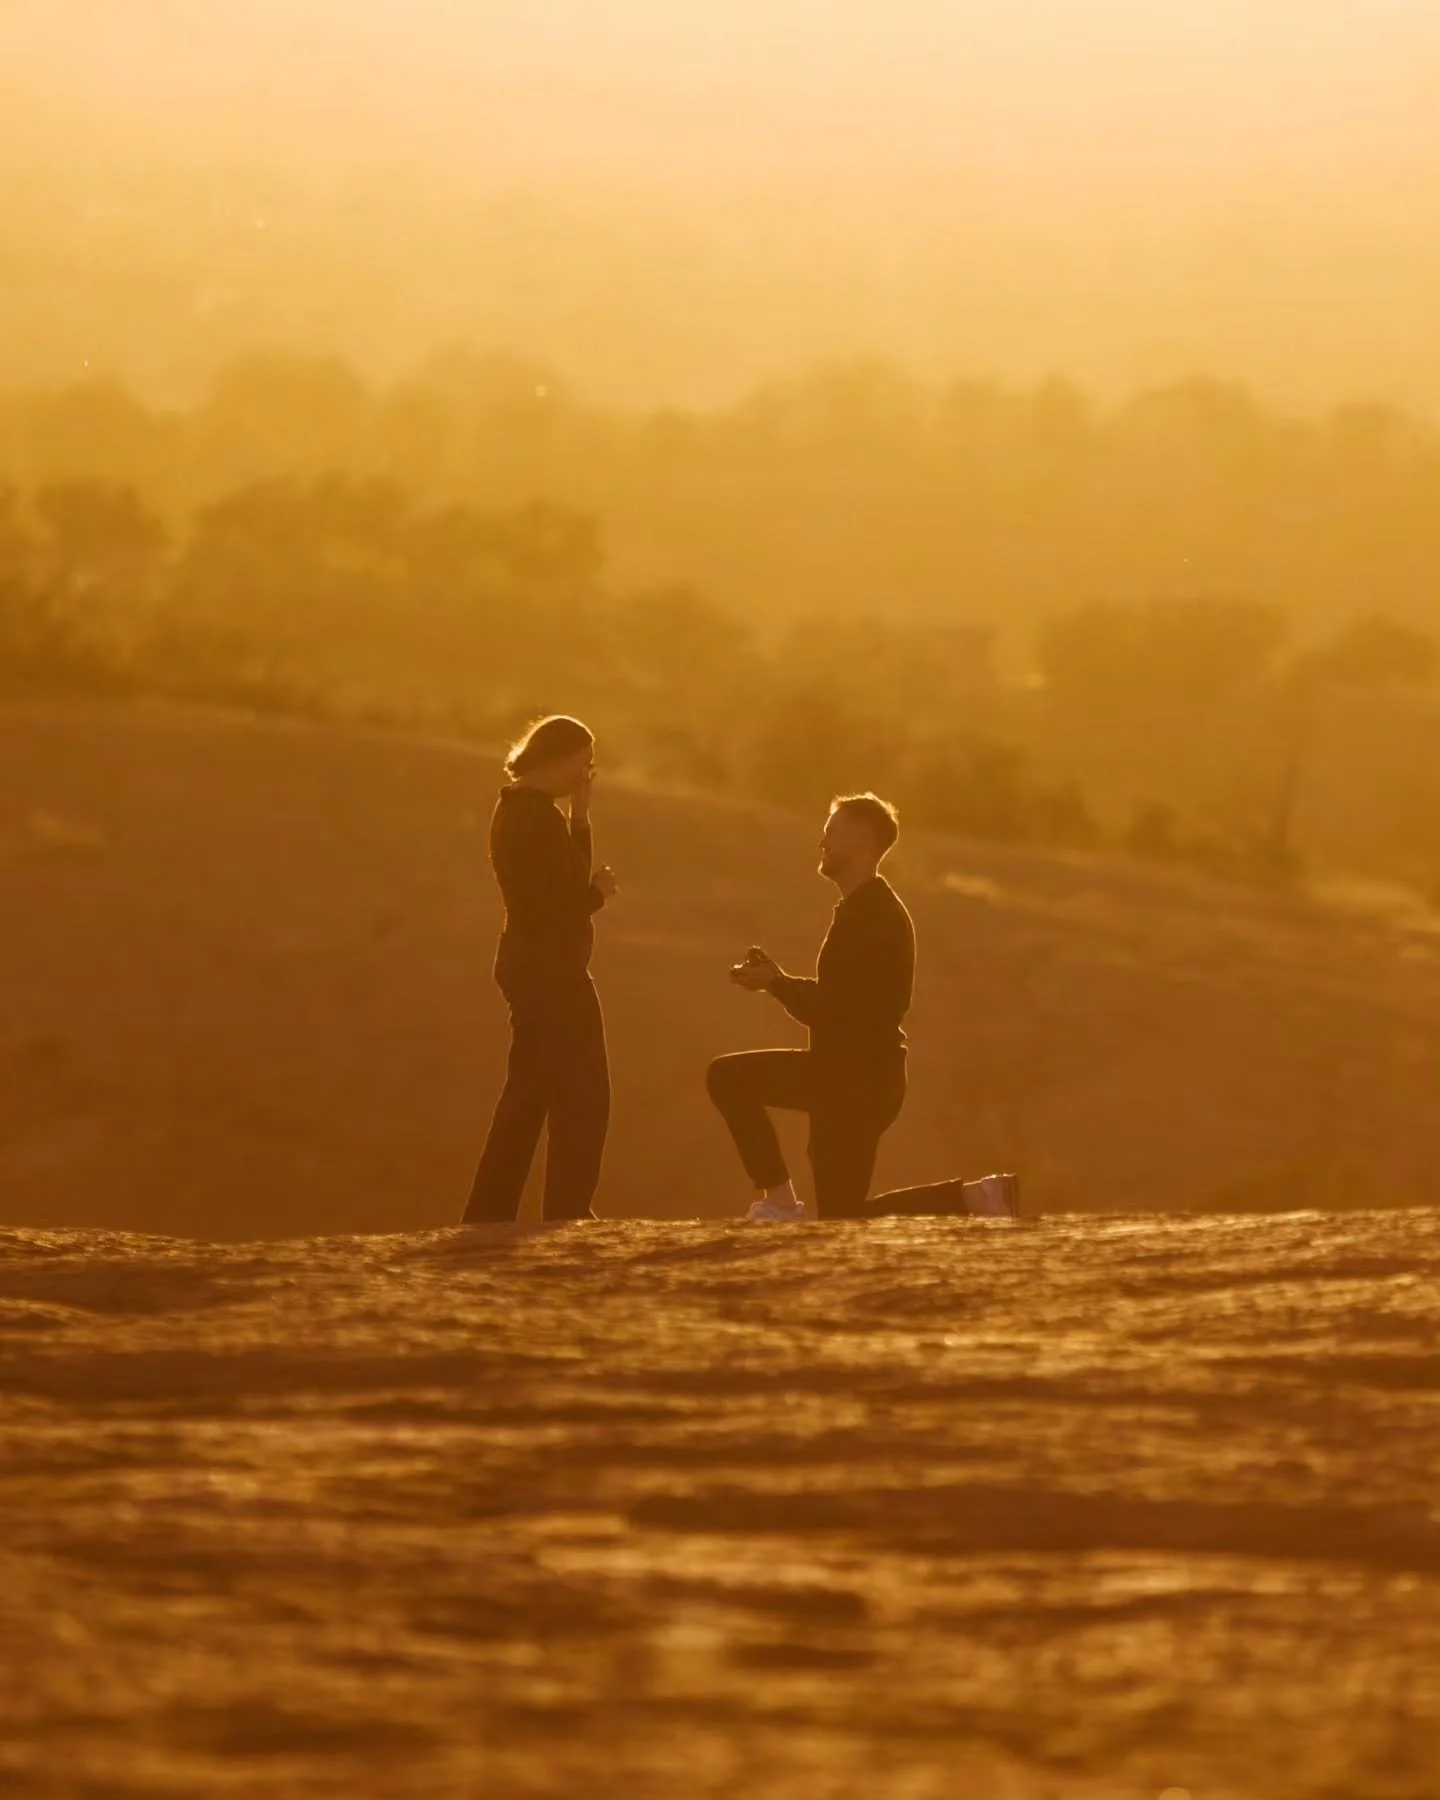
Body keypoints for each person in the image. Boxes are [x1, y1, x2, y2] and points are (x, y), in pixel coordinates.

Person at [707, 793, 915, 1223]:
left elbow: (842, 1010)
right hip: (850, 1077)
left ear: (859, 839)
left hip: (856, 1082)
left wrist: (777, 984)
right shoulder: (863, 910)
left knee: (728, 1078)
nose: (822, 841)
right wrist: (775, 980)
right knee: (842, 1217)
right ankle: (977, 1198)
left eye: (831, 831)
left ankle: (781, 1202)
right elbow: (843, 1000)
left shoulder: (873, 917)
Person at [463, 715, 617, 1224]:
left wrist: (581, 818)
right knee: (584, 1094)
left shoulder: (521, 811)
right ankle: (568, 1211)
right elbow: (563, 900)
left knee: (528, 1094)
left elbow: (562, 882)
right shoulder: (534, 818)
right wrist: (598, 894)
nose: (585, 774)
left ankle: (489, 1212)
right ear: (556, 757)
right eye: (581, 763)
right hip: (553, 973)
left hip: (531, 966)